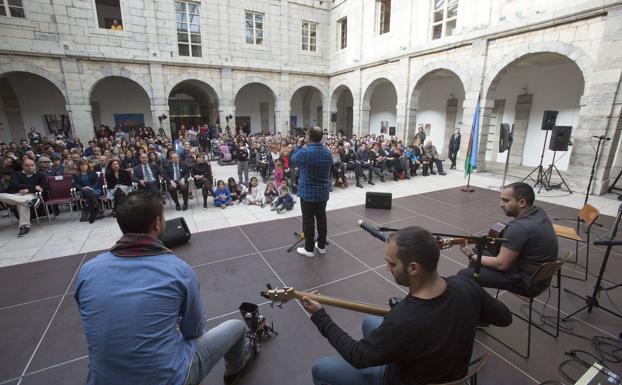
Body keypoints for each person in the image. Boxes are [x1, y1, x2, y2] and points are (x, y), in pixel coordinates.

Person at [74, 190, 255, 385]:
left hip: (101, 380)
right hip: (168, 379)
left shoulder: (88, 271)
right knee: (235, 327)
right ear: (157, 223)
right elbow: (194, 331)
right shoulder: (178, 271)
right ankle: (234, 372)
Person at [302, 226, 512, 385]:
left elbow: (357, 356)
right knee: (369, 322)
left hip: (408, 380)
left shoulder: (403, 319)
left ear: (413, 268)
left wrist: (319, 316)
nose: (387, 268)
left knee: (321, 368)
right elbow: (504, 318)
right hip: (453, 371)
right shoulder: (466, 285)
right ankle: (384, 351)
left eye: (392, 264)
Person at [458, 182, 559, 297]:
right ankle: (475, 291)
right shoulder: (538, 211)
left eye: (506, 201)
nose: (501, 204)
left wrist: (470, 254)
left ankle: (476, 297)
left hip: (528, 283)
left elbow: (502, 264)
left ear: (521, 203)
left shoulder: (519, 227)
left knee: (464, 274)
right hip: (541, 275)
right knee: (479, 252)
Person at [291, 126, 332, 258]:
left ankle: (309, 249)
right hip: (322, 193)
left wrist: (298, 146)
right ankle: (321, 247)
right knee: (321, 219)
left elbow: (293, 160)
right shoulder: (328, 152)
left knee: (308, 221)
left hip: (308, 193)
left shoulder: (305, 152)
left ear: (308, 137)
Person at [0, 158, 45, 237]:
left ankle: (24, 226)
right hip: (17, 195)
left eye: (32, 165)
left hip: (30, 194)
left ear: (35, 166)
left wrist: (29, 189)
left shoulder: (40, 174)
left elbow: (43, 187)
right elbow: (14, 186)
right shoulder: (16, 174)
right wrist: (34, 187)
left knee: (22, 204)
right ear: (23, 166)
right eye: (27, 165)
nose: (30, 167)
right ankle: (27, 201)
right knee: (1, 195)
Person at [73, 160, 103, 224]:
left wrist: (90, 188)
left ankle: (92, 214)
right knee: (87, 191)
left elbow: (96, 182)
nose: (84, 166)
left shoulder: (93, 172)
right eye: (82, 165)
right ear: (79, 166)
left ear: (88, 166)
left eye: (85, 165)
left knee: (89, 195)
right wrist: (83, 188)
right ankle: (98, 205)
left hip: (94, 189)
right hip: (83, 191)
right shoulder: (76, 175)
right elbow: (75, 184)